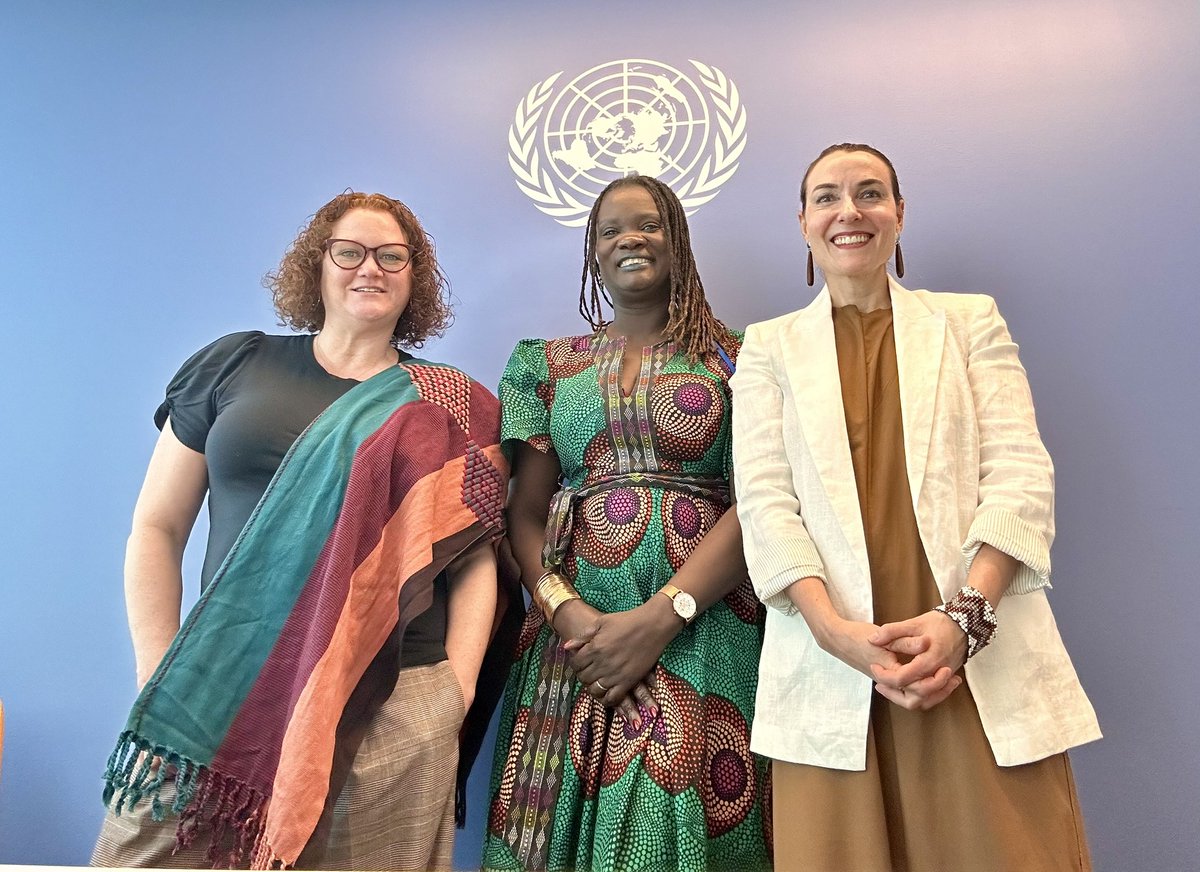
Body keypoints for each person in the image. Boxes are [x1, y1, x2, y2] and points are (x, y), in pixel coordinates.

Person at [93, 192, 519, 871]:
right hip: (220, 681)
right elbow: (157, 526)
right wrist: (157, 664)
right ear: (316, 265)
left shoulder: (451, 403)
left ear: (416, 276)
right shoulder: (235, 364)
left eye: (391, 256)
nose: (368, 269)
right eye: (348, 252)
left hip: (393, 698)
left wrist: (454, 694)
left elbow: (475, 565)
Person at [731, 143, 1101, 871]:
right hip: (833, 662)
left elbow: (1021, 474)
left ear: (899, 214)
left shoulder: (968, 322)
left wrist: (963, 622)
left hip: (969, 655)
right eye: (828, 196)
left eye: (871, 193)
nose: (850, 211)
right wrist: (836, 634)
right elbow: (765, 502)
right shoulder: (767, 348)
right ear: (803, 222)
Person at [482, 175, 772, 872]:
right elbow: (522, 514)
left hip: (704, 630)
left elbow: (759, 500)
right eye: (610, 231)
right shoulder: (545, 366)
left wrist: (661, 618)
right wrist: (567, 614)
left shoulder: (744, 358)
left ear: (679, 242)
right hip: (571, 648)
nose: (629, 240)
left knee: (674, 823)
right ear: (592, 253)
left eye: (649, 225)